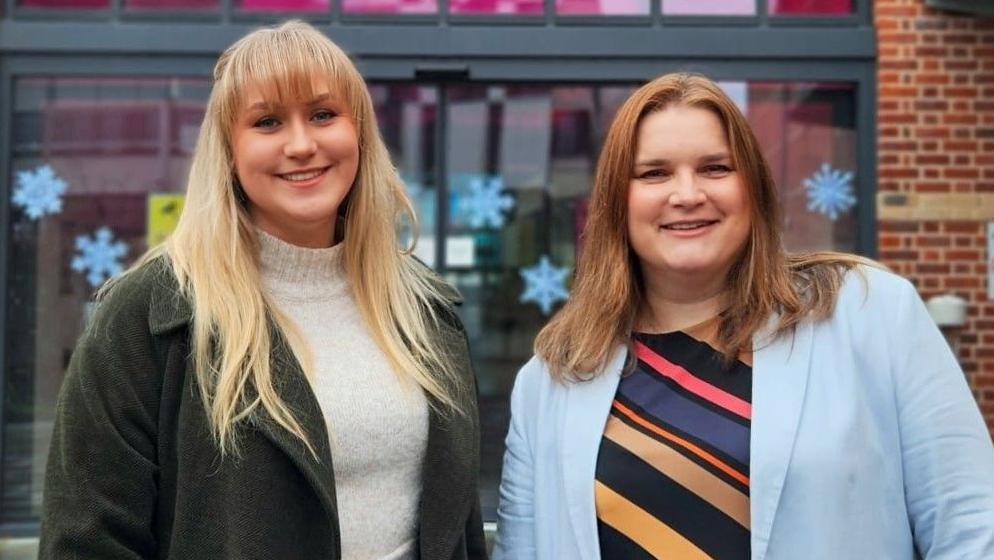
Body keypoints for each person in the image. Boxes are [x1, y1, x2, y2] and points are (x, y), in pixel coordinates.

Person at [493, 73, 994, 559]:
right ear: (613, 203)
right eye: (654, 173)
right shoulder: (551, 381)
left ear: (753, 189)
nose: (687, 194)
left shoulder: (870, 312)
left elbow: (973, 527)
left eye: (716, 168)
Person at [40, 20, 486, 560]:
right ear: (228, 151)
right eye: (267, 121)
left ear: (360, 135)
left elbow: (456, 526)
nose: (301, 145)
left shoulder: (423, 309)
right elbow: (88, 539)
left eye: (323, 115)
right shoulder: (150, 314)